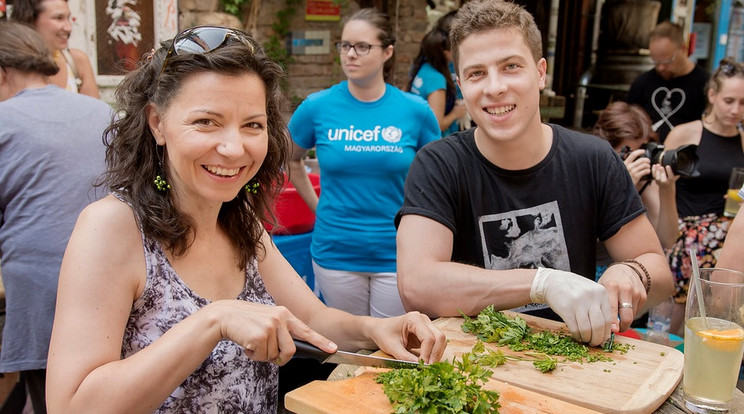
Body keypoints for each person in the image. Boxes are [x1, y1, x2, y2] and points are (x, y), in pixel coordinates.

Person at [45, 26, 446, 413]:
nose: (234, 148)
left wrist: (375, 330)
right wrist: (213, 320)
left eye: (253, 125)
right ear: (157, 123)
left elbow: (315, 319)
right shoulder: (113, 227)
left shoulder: (240, 223)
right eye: (207, 121)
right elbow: (71, 404)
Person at [395, 0, 674, 347]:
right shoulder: (438, 163)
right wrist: (542, 283)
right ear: (460, 84)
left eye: (511, 66)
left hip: (573, 361)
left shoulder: (594, 158)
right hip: (469, 366)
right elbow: (417, 286)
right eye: (476, 73)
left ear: (540, 72)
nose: (494, 87)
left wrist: (633, 271)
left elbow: (660, 275)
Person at [287, 9, 440, 318]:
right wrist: (319, 209)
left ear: (388, 52)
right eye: (345, 45)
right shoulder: (317, 107)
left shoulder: (415, 111)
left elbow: (438, 178)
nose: (350, 55)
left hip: (398, 255)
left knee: (392, 352)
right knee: (348, 351)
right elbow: (291, 160)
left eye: (362, 46)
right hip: (336, 251)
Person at [0, 21, 110, 414]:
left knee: (50, 397)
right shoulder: (102, 111)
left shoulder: (4, 119)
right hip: (111, 283)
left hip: (39, 289)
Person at [663, 57, 744, 335]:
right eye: (729, 100)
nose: (736, 110)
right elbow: (662, 185)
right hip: (685, 241)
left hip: (728, 240)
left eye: (743, 103)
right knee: (680, 322)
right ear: (712, 95)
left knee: (716, 321)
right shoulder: (685, 134)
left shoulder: (743, 141)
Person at [592, 101, 680, 254]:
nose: (637, 159)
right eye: (628, 152)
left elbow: (668, 241)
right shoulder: (592, 172)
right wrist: (620, 187)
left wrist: (667, 189)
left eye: (641, 150)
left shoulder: (646, 182)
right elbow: (585, 238)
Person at [626, 21, 709, 143]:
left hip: (687, 156)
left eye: (667, 61)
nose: (661, 68)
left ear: (683, 48)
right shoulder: (642, 83)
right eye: (655, 62)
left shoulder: (705, 84)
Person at [11, 0, 100, 98]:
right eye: (58, 18)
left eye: (68, 18)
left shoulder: (76, 62)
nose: (68, 27)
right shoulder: (8, 70)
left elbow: (94, 111)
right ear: (30, 19)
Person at [407, 27, 466, 136]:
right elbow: (437, 124)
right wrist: (455, 113)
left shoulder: (422, 67)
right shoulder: (436, 79)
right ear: (445, 53)